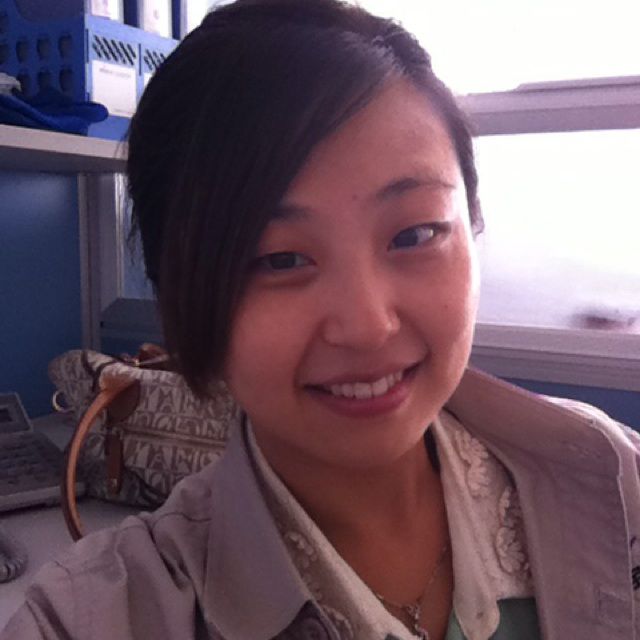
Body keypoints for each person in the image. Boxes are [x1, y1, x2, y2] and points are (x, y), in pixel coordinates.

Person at [2, 1, 640, 639]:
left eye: (415, 233)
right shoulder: (86, 620)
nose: (367, 326)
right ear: (182, 294)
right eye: (280, 259)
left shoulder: (614, 477)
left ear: (472, 225)